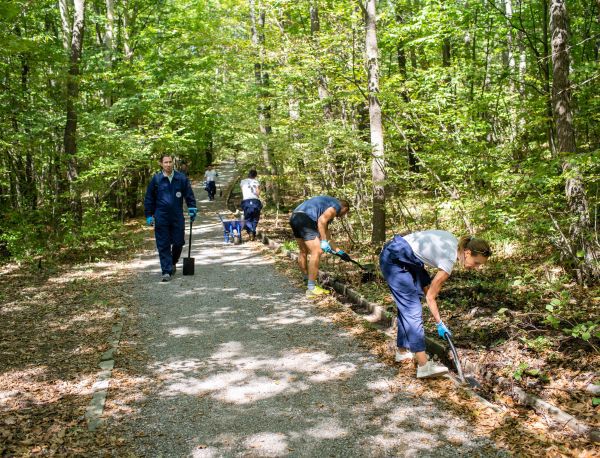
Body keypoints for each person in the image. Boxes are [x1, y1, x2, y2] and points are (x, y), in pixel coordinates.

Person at [379, 230, 491, 378]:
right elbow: (430, 297)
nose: (476, 267)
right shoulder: (448, 259)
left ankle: (402, 351)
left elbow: (427, 290)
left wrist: (438, 318)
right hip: (395, 259)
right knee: (412, 309)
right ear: (468, 252)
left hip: (408, 259)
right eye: (476, 263)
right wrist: (439, 322)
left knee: (409, 305)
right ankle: (424, 366)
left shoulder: (453, 242)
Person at [144, 154, 197, 282]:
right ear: (161, 164)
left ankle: (173, 262)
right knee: (163, 244)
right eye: (165, 162)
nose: (168, 164)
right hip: (161, 216)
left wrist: (192, 208)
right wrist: (149, 215)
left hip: (177, 216)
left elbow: (189, 195)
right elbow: (149, 198)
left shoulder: (181, 178)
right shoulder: (156, 180)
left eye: (170, 162)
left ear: (173, 163)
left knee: (178, 242)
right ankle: (166, 271)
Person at [289, 196, 350, 298]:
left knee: (303, 251)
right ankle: (311, 288)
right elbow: (321, 222)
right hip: (305, 219)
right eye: (345, 212)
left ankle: (306, 279)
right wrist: (324, 242)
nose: (343, 215)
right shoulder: (336, 206)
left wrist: (341, 253)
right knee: (317, 251)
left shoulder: (325, 206)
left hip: (295, 217)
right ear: (344, 207)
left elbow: (327, 236)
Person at [240, 169, 262, 241]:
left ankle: (250, 232)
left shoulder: (243, 181)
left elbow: (242, 190)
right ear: (255, 176)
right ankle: (253, 231)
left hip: (246, 201)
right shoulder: (256, 182)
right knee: (255, 218)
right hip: (255, 201)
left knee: (248, 218)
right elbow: (258, 193)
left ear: (248, 174)